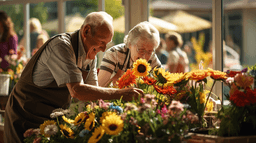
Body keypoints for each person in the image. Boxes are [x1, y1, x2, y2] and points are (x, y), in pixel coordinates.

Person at [4, 11, 144, 143]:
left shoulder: (90, 54)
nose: (103, 49)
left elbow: (93, 96)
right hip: (24, 116)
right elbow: (77, 90)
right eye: (102, 42)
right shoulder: (61, 46)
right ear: (86, 31)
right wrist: (121, 94)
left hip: (49, 121)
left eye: (106, 44)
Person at [98, 21, 162, 87]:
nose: (145, 57)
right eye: (141, 50)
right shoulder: (115, 53)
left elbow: (162, 84)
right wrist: (117, 77)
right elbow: (99, 86)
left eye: (149, 51)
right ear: (130, 44)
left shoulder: (152, 57)